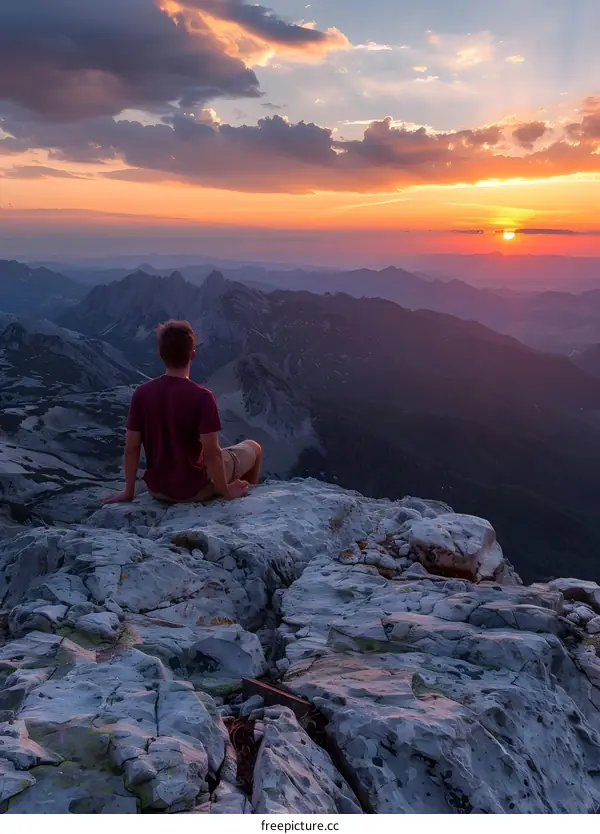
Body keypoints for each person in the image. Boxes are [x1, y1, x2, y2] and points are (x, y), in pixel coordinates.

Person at [102, 319, 262, 505]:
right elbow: (211, 454)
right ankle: (246, 505)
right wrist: (226, 492)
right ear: (192, 355)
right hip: (195, 489)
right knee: (254, 447)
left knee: (220, 455)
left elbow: (132, 448)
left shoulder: (142, 393)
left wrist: (128, 492)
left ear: (160, 354)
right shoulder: (202, 397)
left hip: (158, 490)